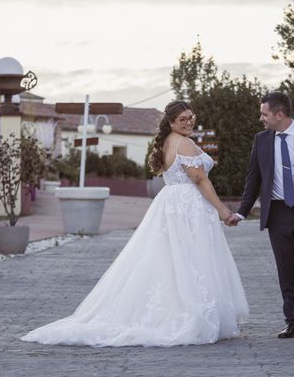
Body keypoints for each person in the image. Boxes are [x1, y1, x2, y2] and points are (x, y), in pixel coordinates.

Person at [20, 101, 249, 347]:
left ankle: (181, 308)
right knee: (193, 256)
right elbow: (199, 178)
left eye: (191, 117)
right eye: (182, 119)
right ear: (171, 122)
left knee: (174, 259)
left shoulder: (167, 141)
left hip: (172, 202)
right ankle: (193, 313)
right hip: (188, 206)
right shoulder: (185, 143)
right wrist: (223, 210)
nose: (188, 122)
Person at [226, 92, 294, 341]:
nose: (261, 118)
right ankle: (292, 322)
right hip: (278, 214)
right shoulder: (261, 140)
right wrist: (242, 212)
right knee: (286, 269)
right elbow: (253, 179)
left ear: (279, 114)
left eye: (264, 113)